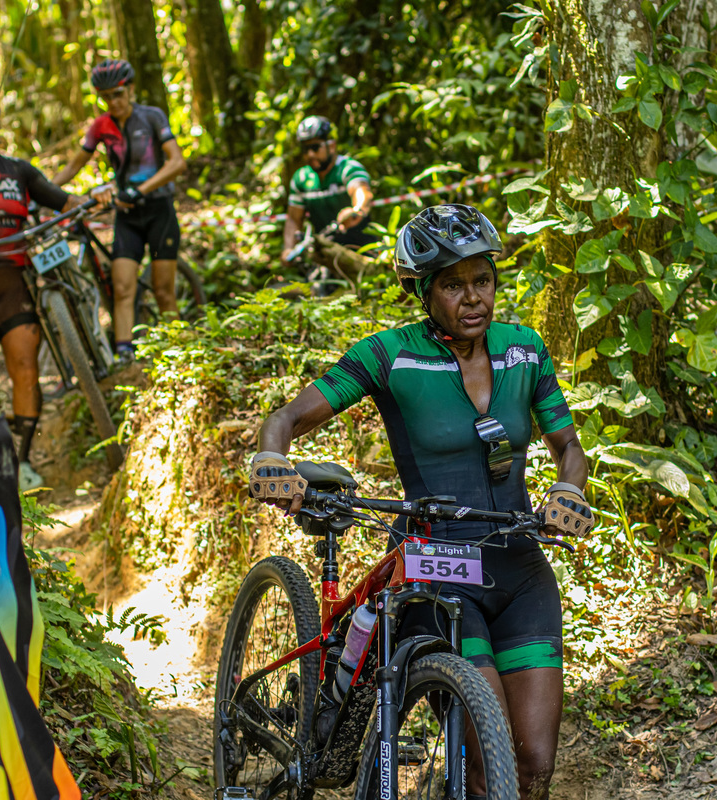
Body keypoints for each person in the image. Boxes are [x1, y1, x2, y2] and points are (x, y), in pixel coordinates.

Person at [249, 204, 593, 800]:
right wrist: (271, 458)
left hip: (520, 567)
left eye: (482, 280)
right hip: (439, 569)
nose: (473, 298)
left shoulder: (525, 349)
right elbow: (288, 417)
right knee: (486, 759)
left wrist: (568, 488)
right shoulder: (389, 355)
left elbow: (569, 447)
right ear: (423, 292)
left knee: (534, 767)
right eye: (453, 285)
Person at [0, 88, 108, 491]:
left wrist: (94, 198)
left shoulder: (19, 172)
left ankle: (23, 462)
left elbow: (63, 200)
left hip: (15, 282)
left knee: (25, 368)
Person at [54, 58, 186, 367]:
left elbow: (177, 162)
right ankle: (124, 353)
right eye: (106, 97)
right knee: (123, 287)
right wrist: (41, 192)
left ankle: (180, 352)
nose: (113, 102)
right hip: (127, 216)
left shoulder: (151, 117)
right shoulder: (101, 126)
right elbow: (74, 166)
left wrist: (141, 190)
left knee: (163, 291)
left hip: (159, 211)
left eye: (118, 94)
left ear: (130, 90)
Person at [280, 115, 376, 288]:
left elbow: (362, 191)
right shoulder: (301, 178)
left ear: (331, 145)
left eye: (315, 147)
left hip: (362, 250)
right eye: (305, 149)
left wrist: (357, 210)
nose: (310, 154)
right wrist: (288, 248)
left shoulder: (347, 168)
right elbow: (294, 218)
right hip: (326, 254)